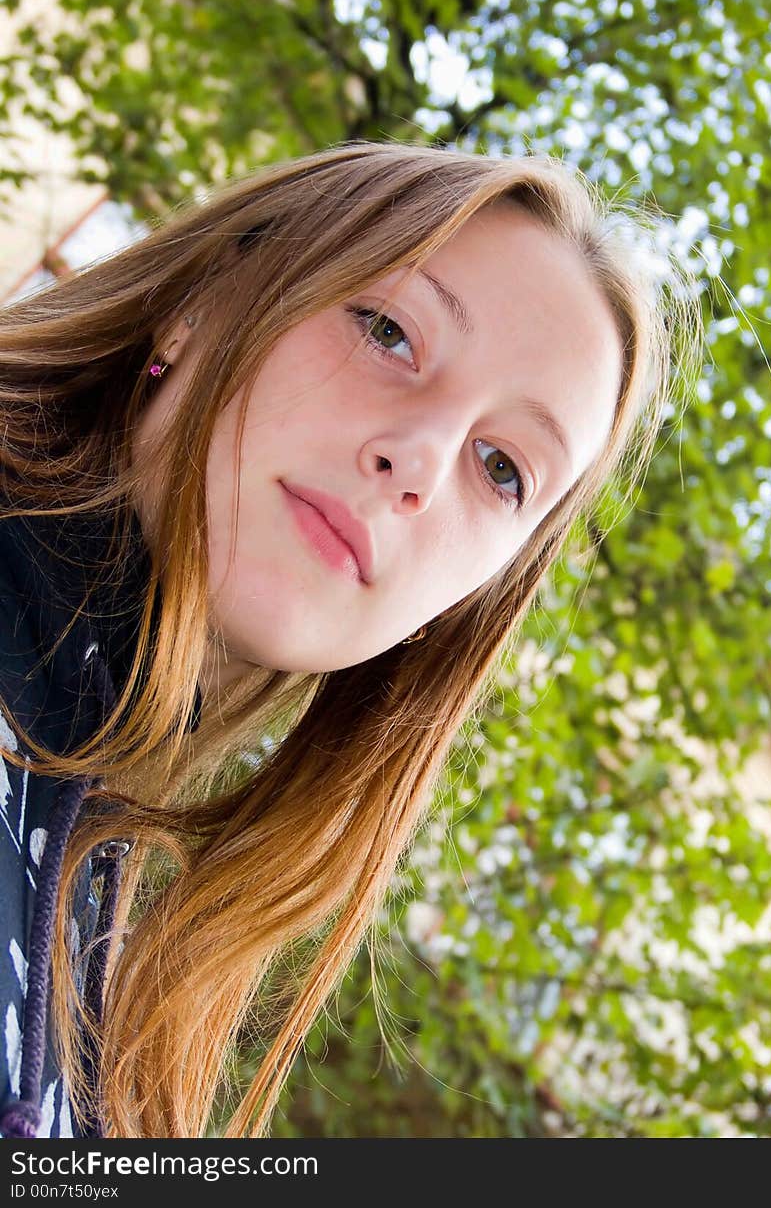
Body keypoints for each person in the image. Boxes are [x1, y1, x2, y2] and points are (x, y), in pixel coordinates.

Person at [0, 139, 704, 1139]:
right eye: (387, 329)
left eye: (502, 468)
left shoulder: (101, 908)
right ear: (206, 298)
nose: (415, 461)